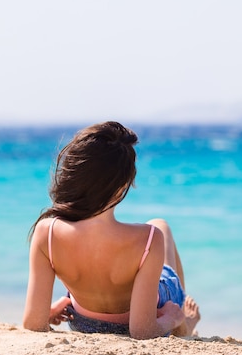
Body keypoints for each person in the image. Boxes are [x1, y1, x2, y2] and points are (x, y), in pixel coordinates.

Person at [23, 121, 200, 339]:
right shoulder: (148, 238)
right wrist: (171, 318)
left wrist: (47, 312)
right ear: (122, 186)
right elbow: (142, 331)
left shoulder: (46, 233)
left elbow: (33, 323)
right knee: (161, 225)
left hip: (82, 322)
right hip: (144, 318)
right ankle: (183, 329)